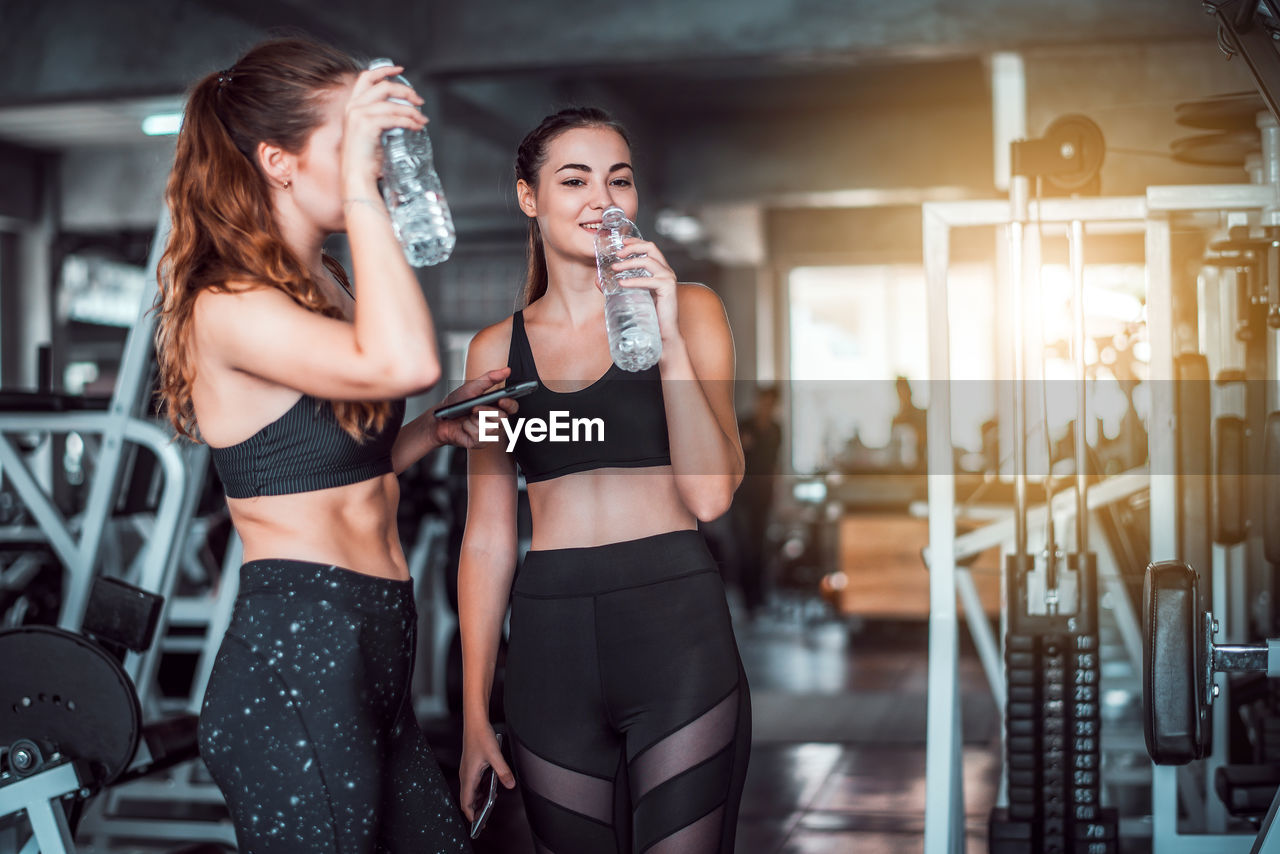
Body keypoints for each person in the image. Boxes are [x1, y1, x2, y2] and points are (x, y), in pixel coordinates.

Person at [154, 37, 511, 853]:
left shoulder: (328, 286)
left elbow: (333, 468)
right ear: (278, 162)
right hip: (298, 652)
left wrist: (433, 429)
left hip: (377, 645)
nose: (380, 160)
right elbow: (407, 360)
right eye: (352, 141)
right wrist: (361, 194)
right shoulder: (228, 305)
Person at [457, 107, 752, 853]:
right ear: (529, 197)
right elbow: (489, 538)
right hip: (550, 641)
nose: (602, 199)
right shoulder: (497, 348)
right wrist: (469, 712)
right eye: (574, 179)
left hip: (675, 629)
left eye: (618, 179)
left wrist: (672, 339)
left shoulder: (693, 312)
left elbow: (712, 495)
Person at [735, 384, 782, 618]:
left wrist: (776, 492)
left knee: (761, 546)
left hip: (764, 495)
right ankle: (748, 601)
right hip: (744, 494)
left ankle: (761, 596)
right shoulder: (744, 425)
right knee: (745, 547)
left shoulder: (775, 429)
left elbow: (775, 465)